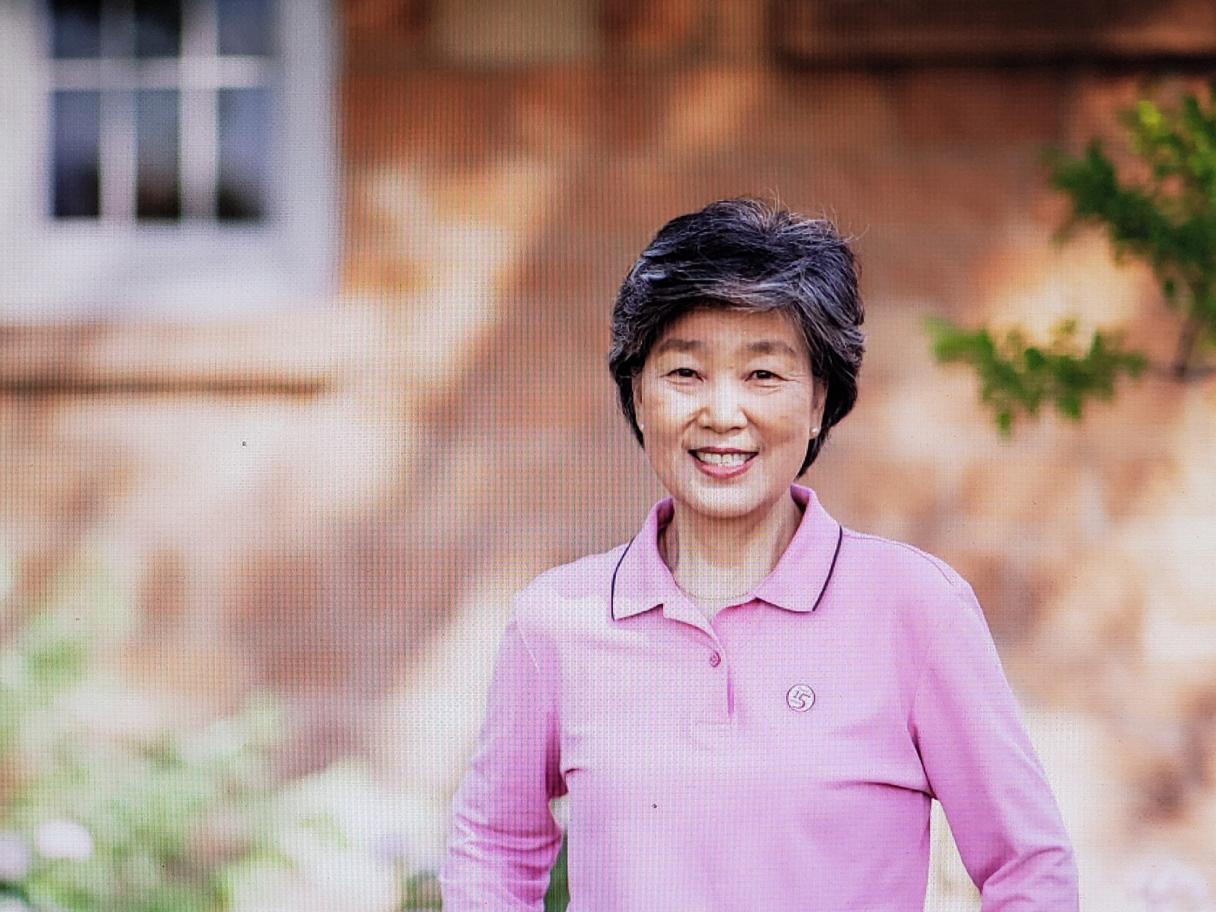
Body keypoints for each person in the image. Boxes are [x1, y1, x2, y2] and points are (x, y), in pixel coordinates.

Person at [438, 197, 1080, 910]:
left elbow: (1028, 867)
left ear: (818, 403)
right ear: (638, 394)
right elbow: (492, 843)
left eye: (763, 375)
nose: (721, 413)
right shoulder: (557, 621)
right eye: (685, 373)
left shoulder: (916, 609)